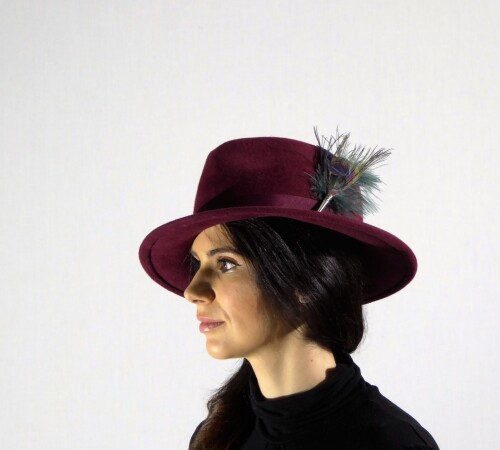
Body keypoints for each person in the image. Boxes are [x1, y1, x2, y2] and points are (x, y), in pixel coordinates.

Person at [138, 130, 440, 450]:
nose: (192, 291)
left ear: (306, 282)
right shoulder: (219, 433)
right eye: (197, 264)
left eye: (226, 264)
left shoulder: (390, 444)